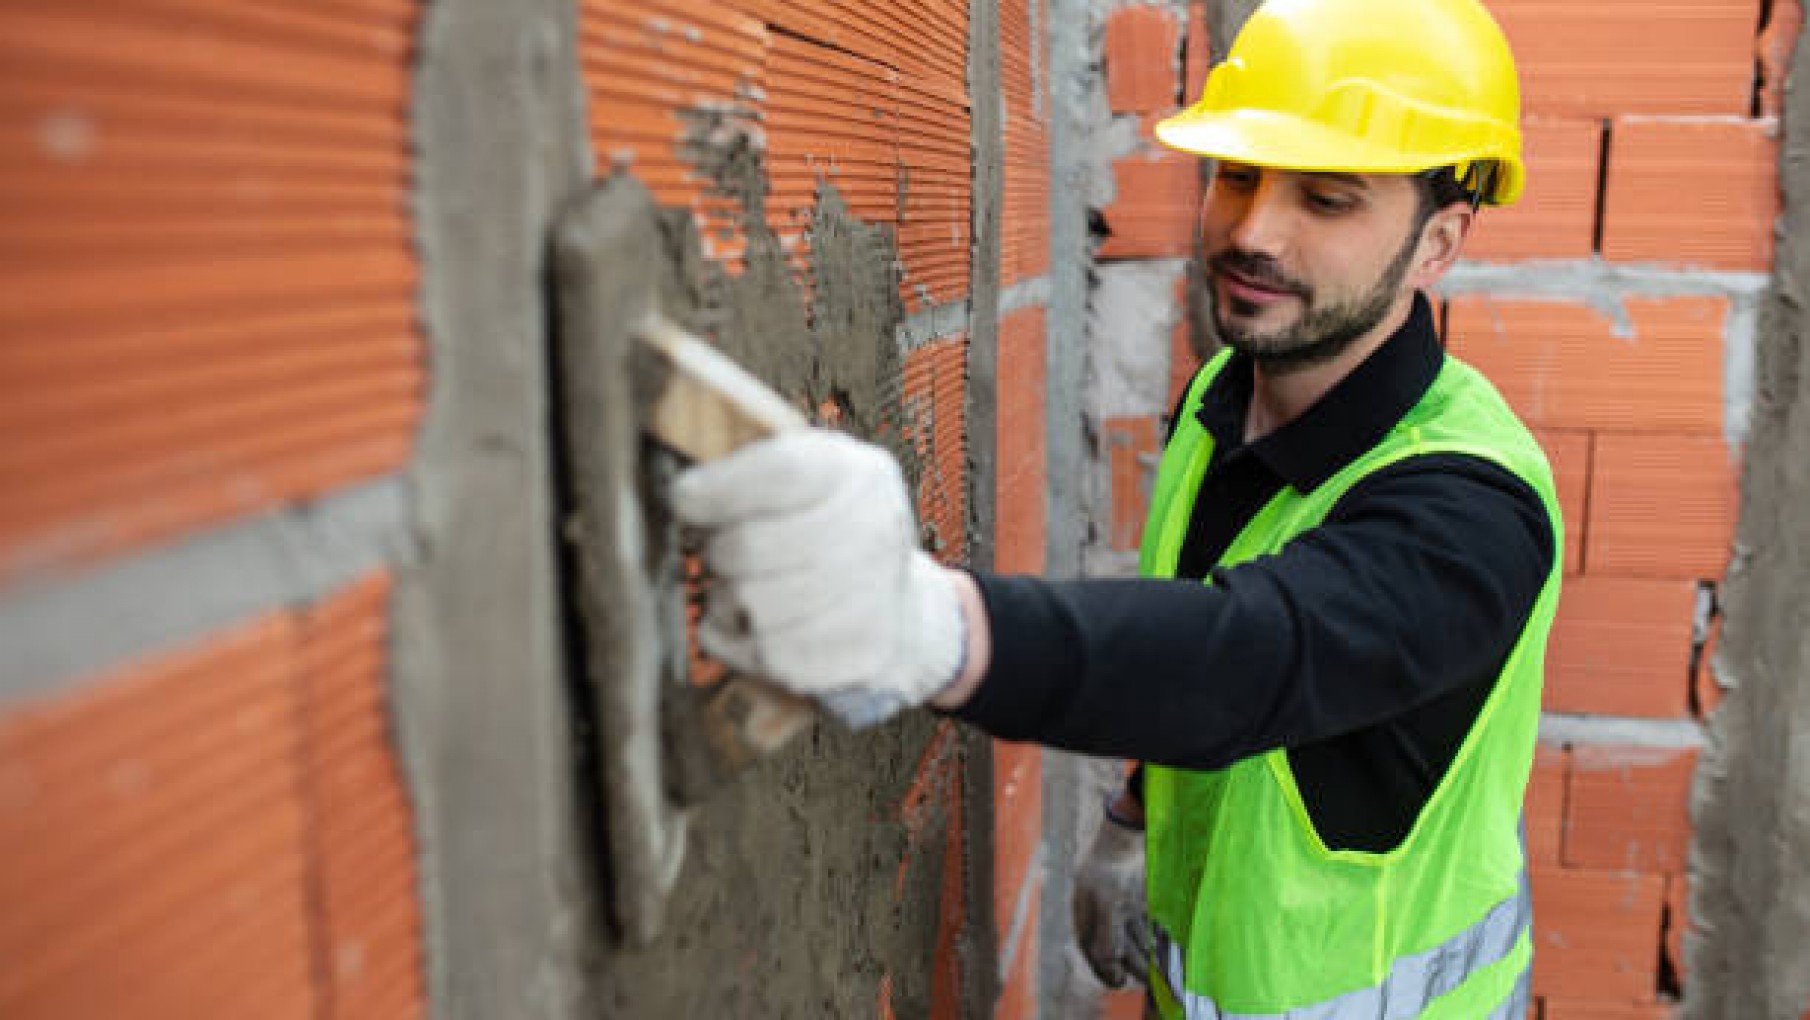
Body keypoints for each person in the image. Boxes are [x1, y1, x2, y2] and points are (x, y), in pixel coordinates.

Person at [672, 0, 1561, 1014]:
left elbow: (1258, 653)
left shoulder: (1473, 511)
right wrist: (1134, 817)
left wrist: (932, 629)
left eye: (1324, 198)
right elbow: (1199, 618)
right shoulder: (1223, 400)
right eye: (1236, 176)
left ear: (1438, 243)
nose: (1251, 231)